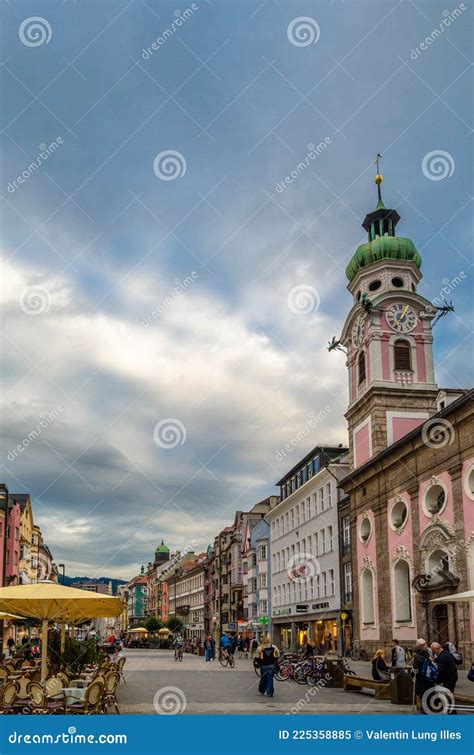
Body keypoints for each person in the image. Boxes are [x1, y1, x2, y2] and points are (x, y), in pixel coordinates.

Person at [431, 642, 458, 712]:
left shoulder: (442, 657)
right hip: (452, 676)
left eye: (433, 650)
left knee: (448, 694)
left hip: (449, 678)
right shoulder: (446, 653)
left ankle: (451, 711)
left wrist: (437, 681)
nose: (433, 652)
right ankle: (450, 710)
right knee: (449, 693)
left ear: (437, 649)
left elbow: (441, 671)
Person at [412, 639, 437, 714]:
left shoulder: (417, 659)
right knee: (429, 695)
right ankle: (429, 709)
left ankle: (424, 710)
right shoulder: (428, 658)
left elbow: (415, 670)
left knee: (422, 695)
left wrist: (413, 676)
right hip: (429, 680)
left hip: (421, 680)